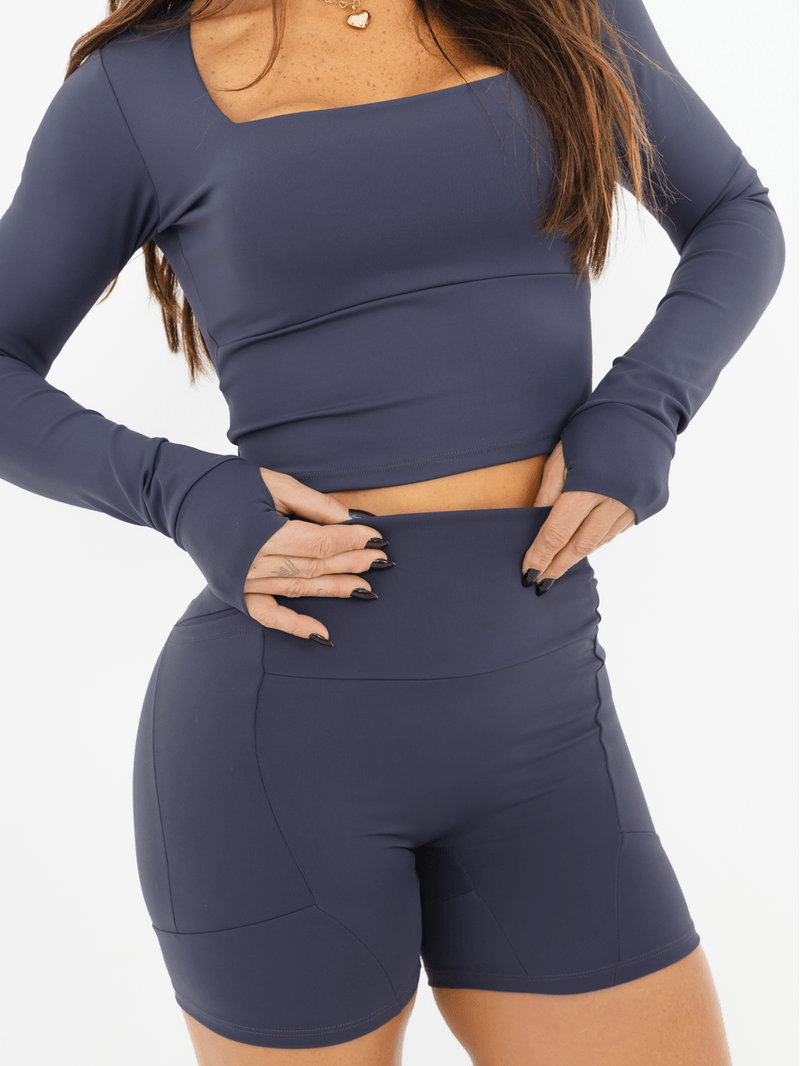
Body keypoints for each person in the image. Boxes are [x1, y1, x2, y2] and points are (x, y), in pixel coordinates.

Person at [0, 0, 784, 1062]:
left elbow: (734, 213)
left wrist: (646, 402)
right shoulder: (135, 92)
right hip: (281, 748)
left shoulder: (563, 14)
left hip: (547, 728)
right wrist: (183, 492)